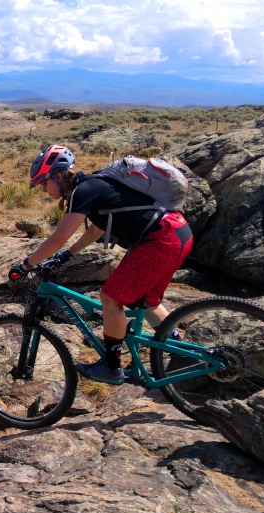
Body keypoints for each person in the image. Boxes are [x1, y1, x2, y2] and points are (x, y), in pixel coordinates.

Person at [14, 144, 193, 385]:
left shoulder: (84, 189)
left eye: (43, 183)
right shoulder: (93, 185)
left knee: (110, 296)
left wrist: (26, 265)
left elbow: (58, 237)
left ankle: (111, 367)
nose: (43, 189)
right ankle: (183, 352)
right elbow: (96, 229)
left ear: (58, 175)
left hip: (160, 240)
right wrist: (67, 255)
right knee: (147, 301)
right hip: (178, 233)